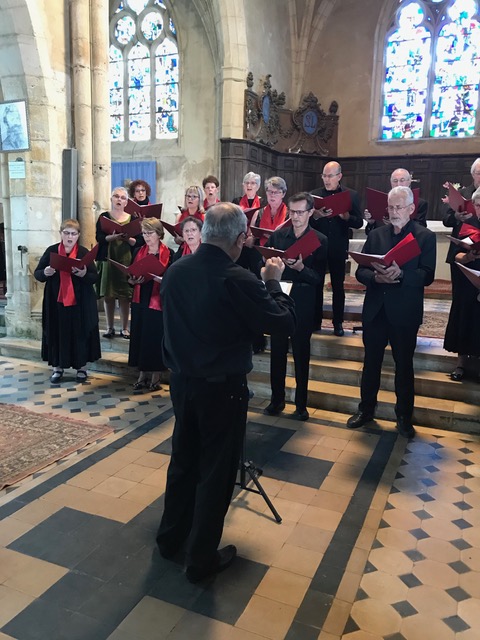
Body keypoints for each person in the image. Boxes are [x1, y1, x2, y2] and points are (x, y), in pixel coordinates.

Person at [156, 202, 295, 583]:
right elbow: (283, 323)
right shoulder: (238, 278)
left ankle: (170, 539)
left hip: (182, 382)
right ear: (239, 238)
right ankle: (200, 560)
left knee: (183, 461)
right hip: (221, 389)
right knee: (217, 473)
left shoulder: (176, 271)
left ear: (204, 233)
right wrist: (273, 282)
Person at [346, 186, 436, 438]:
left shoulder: (424, 237)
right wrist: (375, 277)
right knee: (371, 363)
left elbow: (427, 275)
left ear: (411, 209)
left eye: (399, 207)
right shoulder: (376, 235)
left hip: (404, 311)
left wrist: (402, 274)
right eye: (390, 207)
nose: (394, 212)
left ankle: (404, 417)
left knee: (404, 366)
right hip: (376, 310)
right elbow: (360, 271)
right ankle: (366, 410)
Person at [264, 192, 328, 421]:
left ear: (310, 212)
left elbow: (318, 278)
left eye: (300, 212)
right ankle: (277, 400)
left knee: (301, 353)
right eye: (292, 212)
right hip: (280, 298)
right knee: (277, 352)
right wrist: (270, 262)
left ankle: (301, 404)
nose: (296, 216)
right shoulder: (279, 235)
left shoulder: (320, 239)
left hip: (304, 301)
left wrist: (301, 268)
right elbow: (266, 258)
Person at [34, 219, 101, 383]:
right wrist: (45, 272)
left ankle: (81, 368)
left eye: (73, 234)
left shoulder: (83, 252)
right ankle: (57, 368)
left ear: (78, 235)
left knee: (79, 333)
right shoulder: (52, 251)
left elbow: (94, 277)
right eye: (66, 233)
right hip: (56, 302)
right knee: (57, 332)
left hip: (80, 302)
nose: (70, 237)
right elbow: (38, 273)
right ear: (61, 233)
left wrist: (84, 274)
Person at [310, 161, 363, 336]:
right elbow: (307, 222)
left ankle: (338, 323)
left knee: (338, 286)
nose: (326, 179)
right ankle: (315, 320)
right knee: (316, 284)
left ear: (339, 176)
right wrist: (315, 215)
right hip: (318, 246)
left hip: (338, 247)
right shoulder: (314, 195)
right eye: (324, 176)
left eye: (330, 176)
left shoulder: (351, 195)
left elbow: (359, 222)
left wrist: (346, 217)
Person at [443, 159, 480, 377]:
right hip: (467, 271)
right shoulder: (467, 219)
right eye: (477, 205)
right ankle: (461, 363)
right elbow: (455, 253)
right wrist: (467, 256)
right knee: (464, 311)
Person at [128, 218, 173, 391]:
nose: (146, 237)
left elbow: (172, 278)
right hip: (140, 298)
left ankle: (156, 376)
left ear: (159, 234)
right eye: (144, 233)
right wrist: (132, 280)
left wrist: (162, 279)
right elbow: (130, 274)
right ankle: (142, 374)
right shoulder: (138, 251)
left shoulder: (169, 253)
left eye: (150, 233)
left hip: (158, 300)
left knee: (154, 336)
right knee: (140, 335)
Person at [95, 187, 141, 339]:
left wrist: (127, 238)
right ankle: (109, 328)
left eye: (123, 198)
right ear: (111, 199)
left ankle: (125, 328)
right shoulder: (104, 216)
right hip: (108, 258)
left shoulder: (133, 219)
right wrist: (112, 237)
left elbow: (138, 241)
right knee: (109, 295)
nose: (119, 200)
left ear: (127, 202)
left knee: (125, 296)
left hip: (126, 258)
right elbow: (99, 237)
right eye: (116, 196)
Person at [364, 168, 428, 234]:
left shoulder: (419, 203)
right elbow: (370, 233)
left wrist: (395, 224)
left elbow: (421, 229)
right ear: (391, 183)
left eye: (402, 180)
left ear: (409, 182)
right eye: (395, 181)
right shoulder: (380, 201)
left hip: (407, 238)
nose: (398, 184)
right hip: (384, 238)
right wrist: (371, 223)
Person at [250, 176, 288, 246]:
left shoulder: (289, 215)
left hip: (279, 250)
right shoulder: (258, 213)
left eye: (276, 192)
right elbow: (250, 235)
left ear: (283, 194)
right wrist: (251, 238)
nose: (272, 195)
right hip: (259, 250)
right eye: (270, 191)